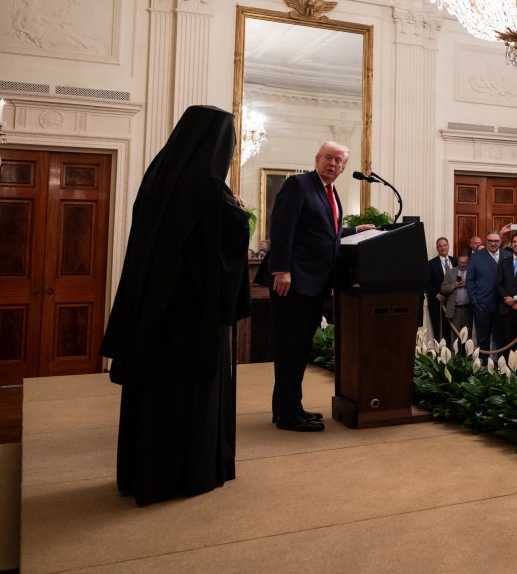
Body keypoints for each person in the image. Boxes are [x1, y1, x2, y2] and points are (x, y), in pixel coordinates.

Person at [101, 106, 251, 506]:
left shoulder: (160, 176)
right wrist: (237, 216)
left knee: (154, 395)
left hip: (155, 310)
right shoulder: (205, 187)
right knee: (189, 395)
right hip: (192, 316)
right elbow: (219, 249)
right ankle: (187, 475)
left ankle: (144, 472)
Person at [259, 141, 373, 432]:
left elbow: (322, 233)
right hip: (293, 282)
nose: (333, 163)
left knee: (296, 350)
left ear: (344, 167)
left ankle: (287, 408)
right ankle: (289, 415)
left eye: (339, 160)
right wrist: (282, 270)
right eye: (328, 158)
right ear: (317, 159)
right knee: (291, 349)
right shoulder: (298, 185)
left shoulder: (331, 193)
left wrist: (351, 231)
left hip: (313, 284)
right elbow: (282, 229)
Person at [467, 231, 508, 355]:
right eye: (490, 241)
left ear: (500, 242)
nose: (493, 243)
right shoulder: (477, 256)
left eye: (496, 241)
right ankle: (483, 369)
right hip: (483, 305)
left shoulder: (508, 255)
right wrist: (475, 299)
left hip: (504, 306)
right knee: (483, 340)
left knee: (503, 339)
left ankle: (504, 369)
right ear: (487, 241)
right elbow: (469, 280)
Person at [426, 237, 456, 343]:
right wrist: (438, 295)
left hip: (453, 302)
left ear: (448, 246)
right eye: (440, 246)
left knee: (452, 330)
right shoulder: (431, 264)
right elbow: (426, 282)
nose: (443, 248)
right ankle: (440, 355)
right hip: (437, 303)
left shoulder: (455, 261)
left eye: (445, 245)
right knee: (439, 331)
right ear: (437, 248)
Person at [440, 252, 475, 342]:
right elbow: (443, 288)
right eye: (460, 262)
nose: (463, 264)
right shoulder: (450, 272)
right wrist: (454, 285)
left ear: (469, 262)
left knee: (468, 337)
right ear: (457, 261)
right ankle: (455, 356)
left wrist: (468, 285)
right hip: (454, 309)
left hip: (469, 309)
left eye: (465, 263)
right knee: (455, 338)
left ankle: (468, 356)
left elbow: (478, 287)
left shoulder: (473, 272)